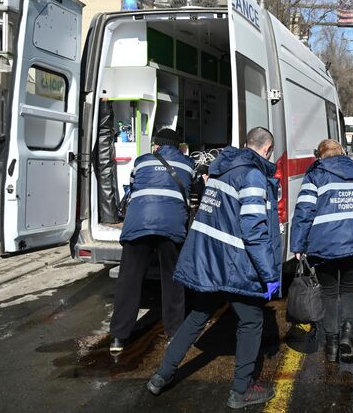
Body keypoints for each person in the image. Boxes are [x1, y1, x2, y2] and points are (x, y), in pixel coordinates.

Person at [146, 127, 281, 410]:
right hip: (235, 265)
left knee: (196, 317)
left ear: (246, 144)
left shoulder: (221, 169)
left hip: (212, 262)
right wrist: (270, 275)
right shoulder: (253, 175)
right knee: (252, 322)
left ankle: (161, 376)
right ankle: (241, 391)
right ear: (267, 149)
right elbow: (253, 230)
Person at [290, 139, 353, 364]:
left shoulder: (315, 175)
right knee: (350, 290)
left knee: (329, 294)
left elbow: (304, 211)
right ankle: (348, 337)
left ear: (320, 156)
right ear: (342, 153)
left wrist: (298, 245)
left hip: (325, 246)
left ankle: (331, 346)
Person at [109, 128, 193, 354]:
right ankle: (174, 333)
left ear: (156, 145)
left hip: (138, 224)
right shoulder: (187, 164)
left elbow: (134, 185)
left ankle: (118, 337)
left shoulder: (141, 161)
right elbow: (192, 192)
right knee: (172, 281)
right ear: (177, 146)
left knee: (129, 280)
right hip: (171, 226)